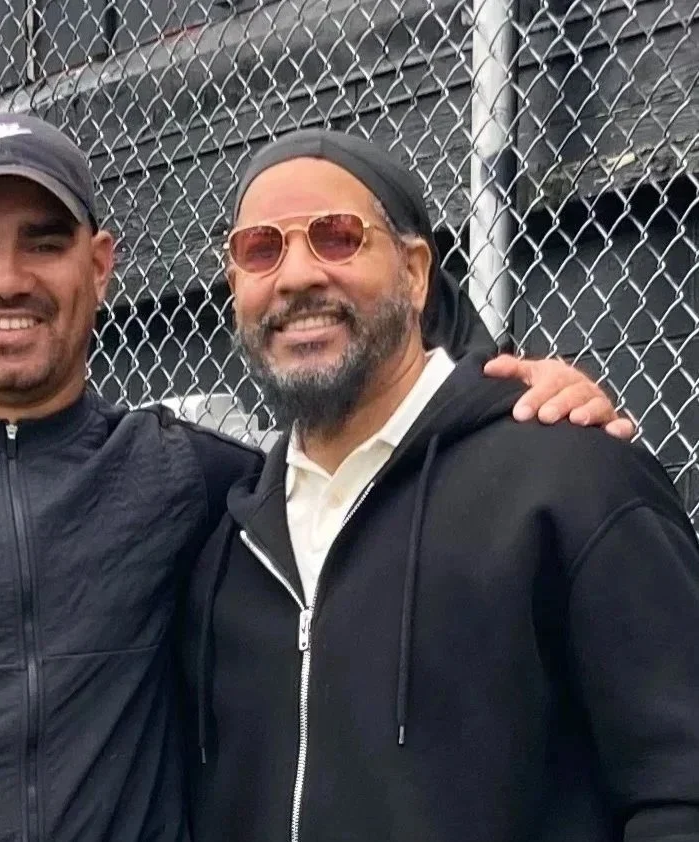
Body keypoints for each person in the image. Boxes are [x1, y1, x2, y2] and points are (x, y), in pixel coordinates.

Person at [0, 112, 631, 842]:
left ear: (102, 263)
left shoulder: (193, 484)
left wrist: (509, 404)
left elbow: (374, 468)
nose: (8, 277)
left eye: (44, 240)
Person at [182, 129, 699, 842]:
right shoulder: (227, 547)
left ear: (415, 270)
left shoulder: (571, 482)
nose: (296, 275)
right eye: (260, 249)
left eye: (335, 237)